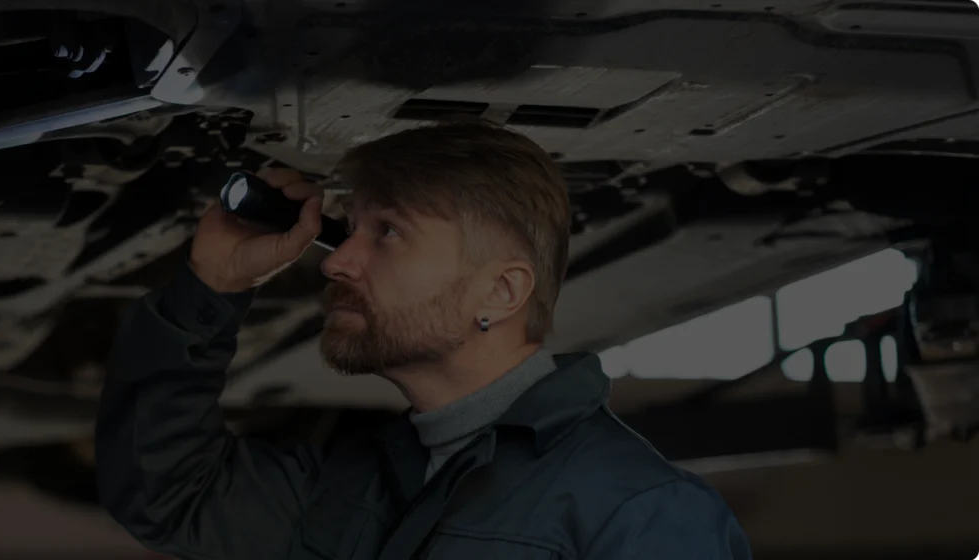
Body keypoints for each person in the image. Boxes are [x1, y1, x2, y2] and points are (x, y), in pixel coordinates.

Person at [94, 123, 752, 559]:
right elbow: (170, 495)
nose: (335, 262)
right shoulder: (360, 481)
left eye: (388, 233)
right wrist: (210, 288)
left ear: (501, 291)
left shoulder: (641, 513)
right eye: (349, 231)